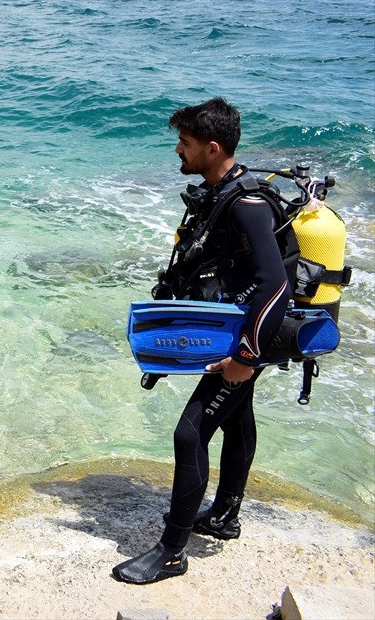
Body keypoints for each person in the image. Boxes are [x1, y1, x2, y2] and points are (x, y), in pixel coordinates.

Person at [113, 97, 293, 585]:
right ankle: (224, 515)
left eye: (186, 143)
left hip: (249, 339)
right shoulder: (219, 193)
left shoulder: (248, 205)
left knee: (190, 432)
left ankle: (172, 552)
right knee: (238, 421)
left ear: (213, 149)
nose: (178, 150)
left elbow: (277, 284)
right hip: (241, 333)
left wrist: (246, 357)